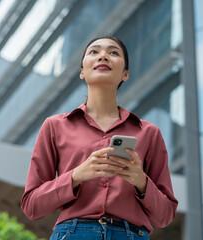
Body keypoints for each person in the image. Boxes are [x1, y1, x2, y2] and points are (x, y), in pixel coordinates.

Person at [20, 36, 178, 240]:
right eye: (94, 52)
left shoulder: (149, 133)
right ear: (82, 72)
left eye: (113, 52)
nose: (103, 56)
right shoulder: (55, 126)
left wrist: (141, 181)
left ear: (126, 74)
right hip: (73, 234)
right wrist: (76, 176)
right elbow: (32, 206)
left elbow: (165, 216)